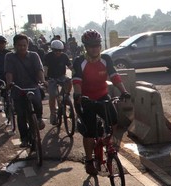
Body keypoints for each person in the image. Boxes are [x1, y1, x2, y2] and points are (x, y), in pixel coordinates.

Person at [72, 29, 130, 176]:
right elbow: (77, 80)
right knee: (90, 132)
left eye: (97, 45)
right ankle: (89, 160)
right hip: (85, 99)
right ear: (85, 47)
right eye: (91, 46)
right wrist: (78, 95)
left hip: (102, 96)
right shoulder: (80, 61)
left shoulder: (106, 59)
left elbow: (114, 76)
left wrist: (123, 91)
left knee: (114, 121)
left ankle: (104, 142)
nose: (95, 48)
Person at [5, 33, 46, 147]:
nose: (22, 47)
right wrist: (9, 83)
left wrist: (43, 81)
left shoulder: (34, 56)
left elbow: (39, 69)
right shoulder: (10, 57)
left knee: (37, 101)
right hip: (17, 87)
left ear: (28, 45)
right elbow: (9, 72)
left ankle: (39, 118)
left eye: (24, 45)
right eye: (19, 45)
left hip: (32, 85)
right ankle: (24, 138)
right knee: (21, 115)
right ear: (14, 46)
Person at [43, 39, 72, 125]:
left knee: (69, 82)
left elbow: (70, 66)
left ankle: (64, 97)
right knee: (52, 95)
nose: (58, 52)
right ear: (52, 49)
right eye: (56, 50)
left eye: (60, 50)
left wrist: (76, 73)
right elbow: (45, 68)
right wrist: (45, 79)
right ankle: (53, 113)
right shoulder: (48, 56)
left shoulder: (64, 56)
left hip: (61, 76)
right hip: (51, 78)